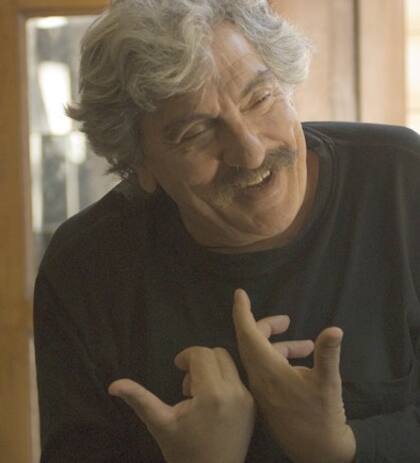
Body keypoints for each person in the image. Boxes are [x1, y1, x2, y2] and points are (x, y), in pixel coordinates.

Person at [33, 0, 420, 462]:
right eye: (196, 132)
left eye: (260, 99)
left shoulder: (403, 181)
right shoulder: (85, 267)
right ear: (139, 164)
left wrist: (343, 448)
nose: (250, 152)